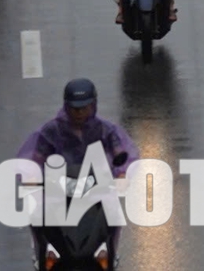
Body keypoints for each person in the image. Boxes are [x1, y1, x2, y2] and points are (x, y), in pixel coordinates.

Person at [18, 79, 138, 267]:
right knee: (37, 212)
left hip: (96, 189)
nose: (79, 112)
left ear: (93, 105)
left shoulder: (106, 130)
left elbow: (121, 154)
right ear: (66, 106)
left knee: (113, 210)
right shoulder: (52, 131)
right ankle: (43, 253)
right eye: (75, 108)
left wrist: (122, 174)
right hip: (59, 189)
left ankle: (110, 252)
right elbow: (37, 158)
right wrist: (32, 176)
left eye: (84, 107)